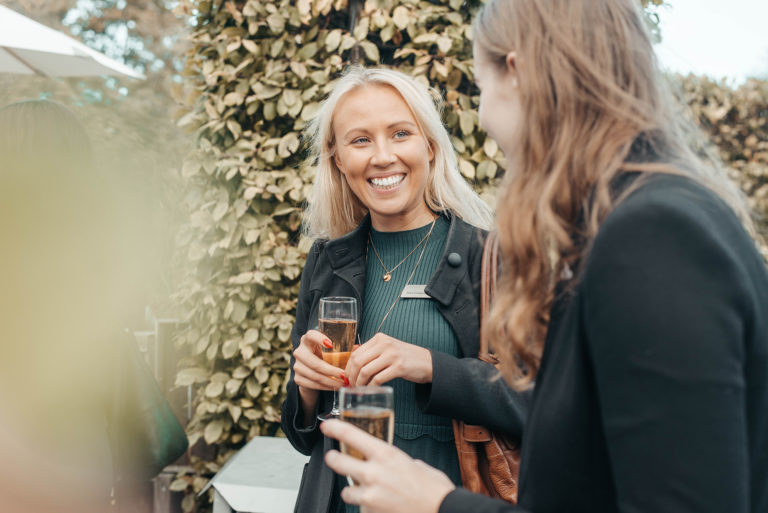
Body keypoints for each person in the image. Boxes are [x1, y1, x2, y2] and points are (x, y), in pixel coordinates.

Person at [319, 1, 768, 513]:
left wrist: (441, 503)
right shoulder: (636, 221)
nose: (484, 118)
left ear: (518, 71)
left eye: (481, 88)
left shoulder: (654, 235)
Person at [281, 66, 528, 513]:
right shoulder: (326, 261)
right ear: (337, 158)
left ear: (430, 147)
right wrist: (306, 387)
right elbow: (303, 438)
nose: (381, 156)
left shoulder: (492, 258)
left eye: (400, 133)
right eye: (360, 140)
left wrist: (432, 366)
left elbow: (540, 404)